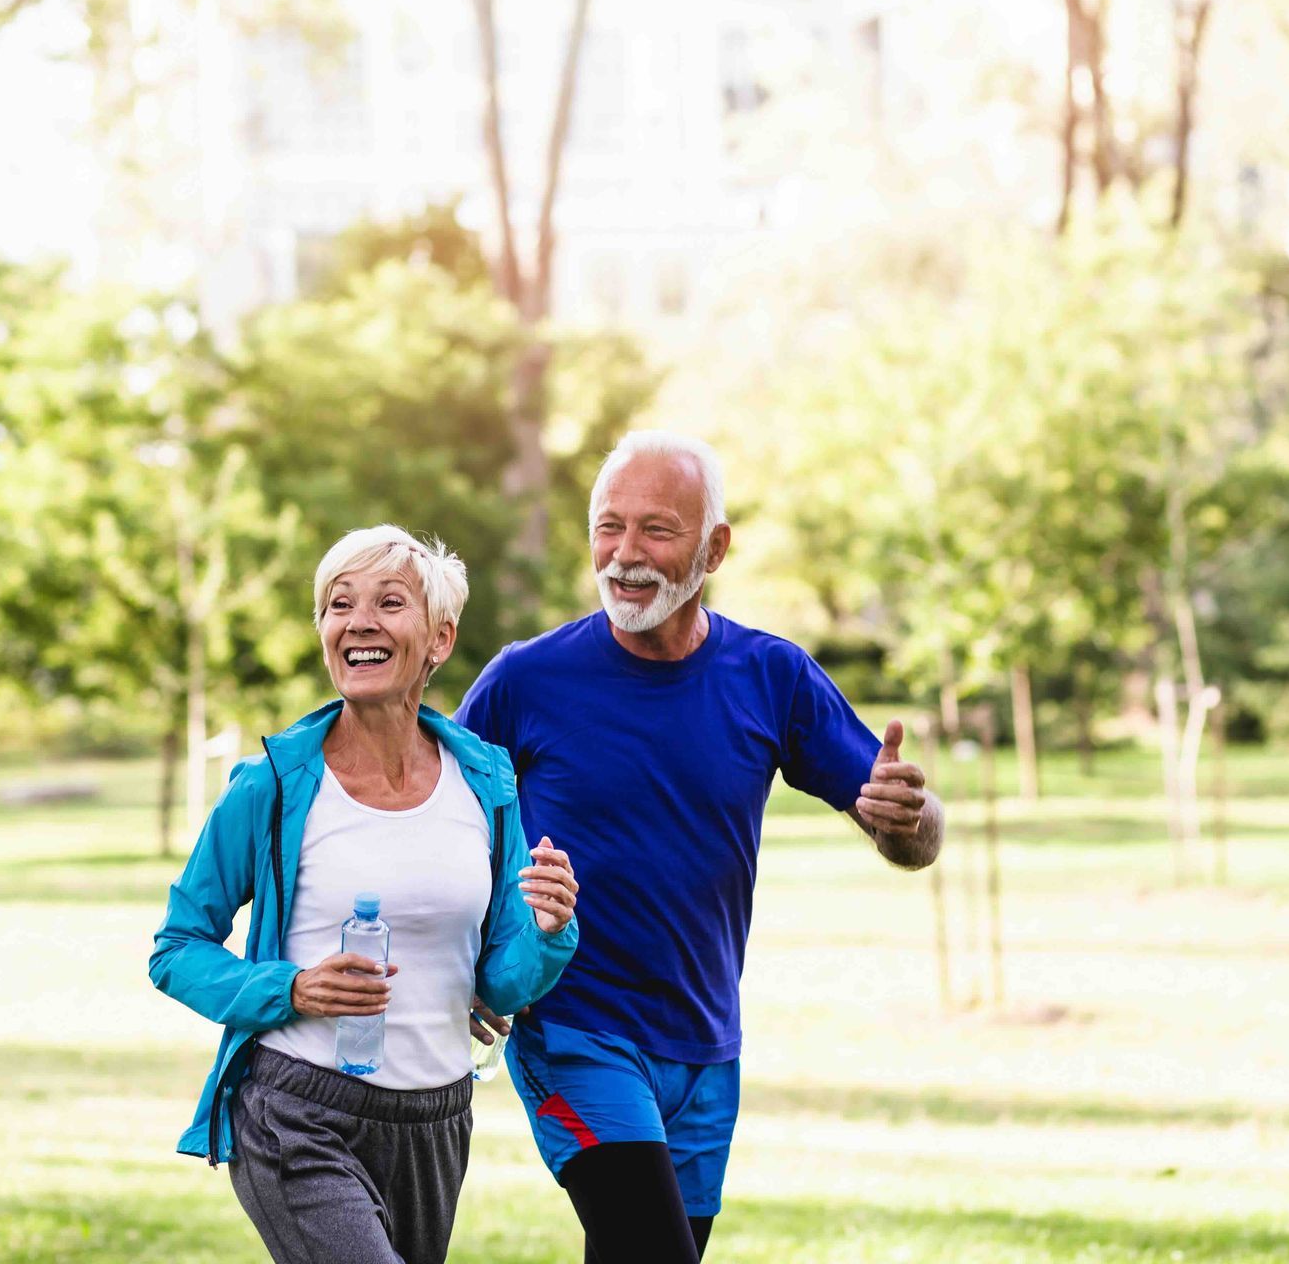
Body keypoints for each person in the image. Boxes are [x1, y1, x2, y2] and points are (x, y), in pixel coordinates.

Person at [457, 431, 942, 1262]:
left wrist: (911, 820)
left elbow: (912, 833)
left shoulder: (772, 676)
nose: (625, 555)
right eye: (608, 527)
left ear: (715, 548)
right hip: (576, 1032)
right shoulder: (523, 681)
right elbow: (439, 832)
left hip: (706, 1044)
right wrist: (465, 963)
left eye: (656, 529)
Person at [149, 525, 581, 1264]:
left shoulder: (485, 782)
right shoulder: (275, 785)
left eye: (389, 602)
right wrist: (294, 989)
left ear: (439, 639)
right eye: (337, 604)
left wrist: (547, 931)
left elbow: (497, 983)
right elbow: (177, 949)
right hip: (297, 1113)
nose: (358, 622)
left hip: (435, 1120)